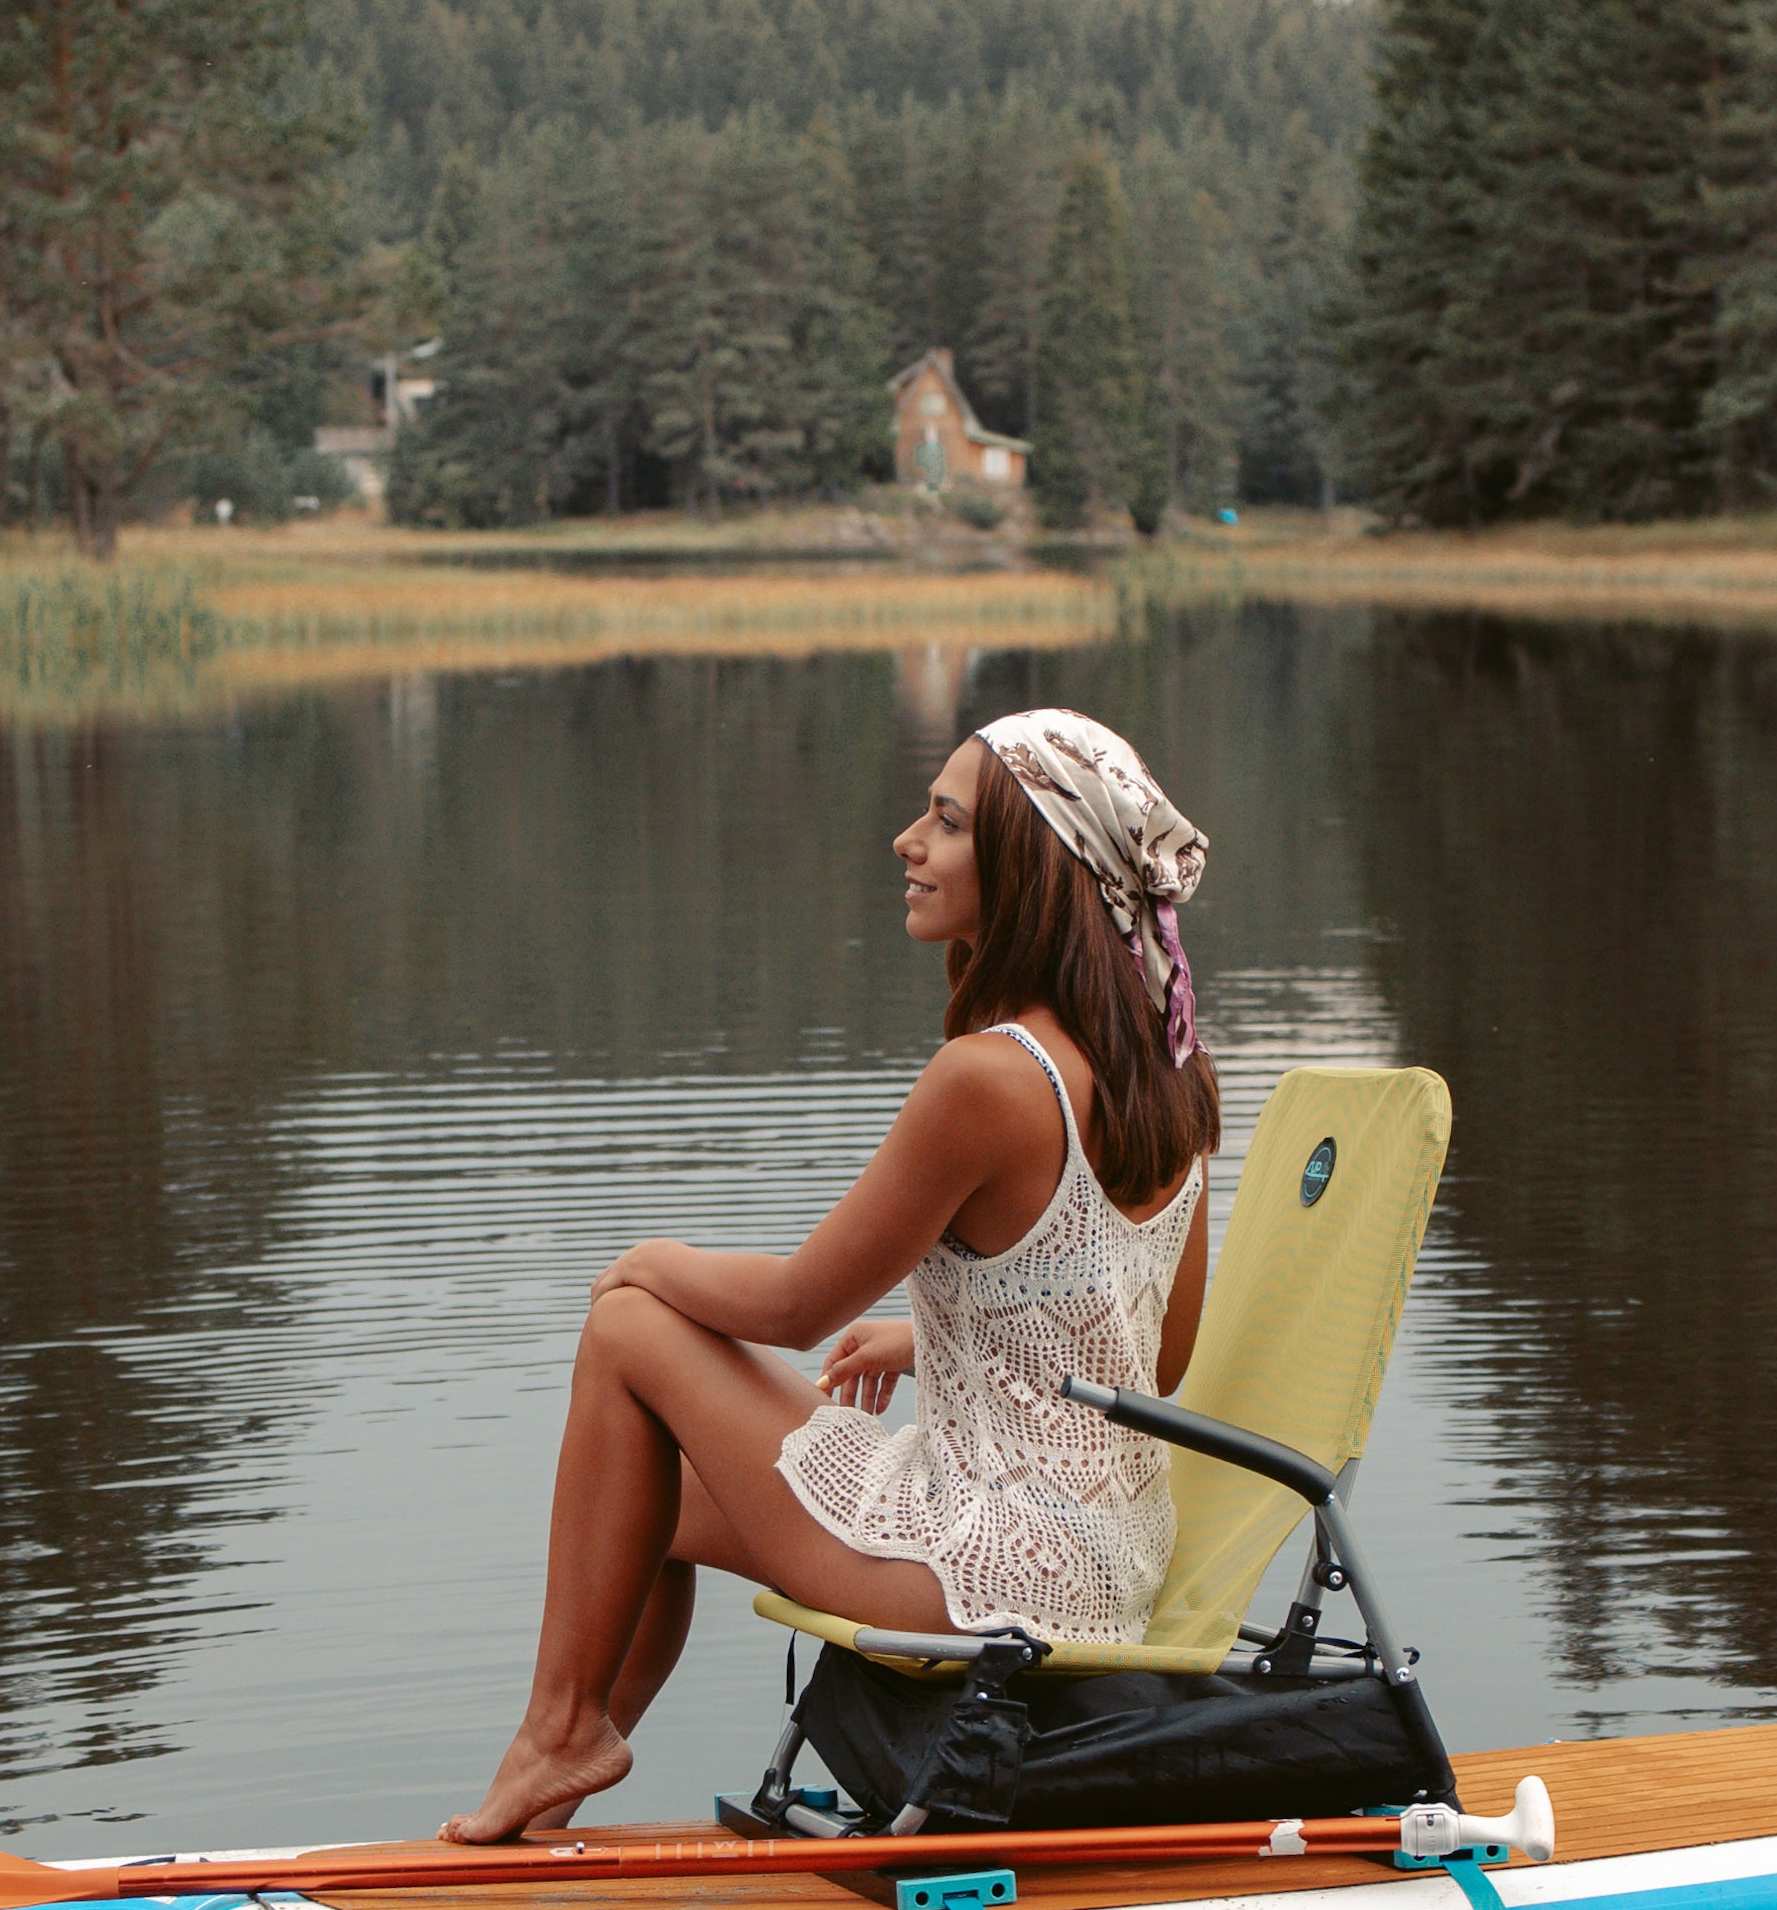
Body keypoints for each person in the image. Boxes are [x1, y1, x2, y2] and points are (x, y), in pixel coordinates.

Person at [444, 709, 1220, 1843]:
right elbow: (1155, 1352)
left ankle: (558, 1732)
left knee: (625, 1330)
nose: (907, 841)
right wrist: (940, 1338)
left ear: (1028, 865)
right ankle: (565, 1762)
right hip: (1108, 1566)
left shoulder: (990, 1079)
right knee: (643, 1508)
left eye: (945, 822)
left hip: (988, 1576)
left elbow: (800, 1305)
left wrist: (646, 1260)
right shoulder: (1172, 1062)